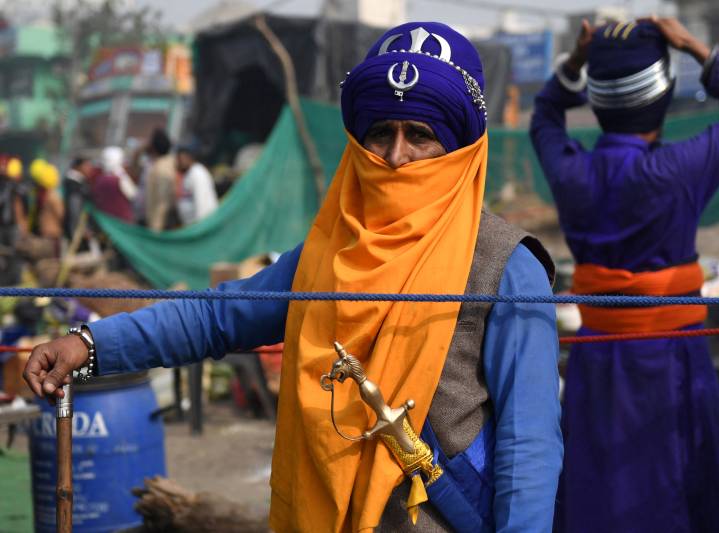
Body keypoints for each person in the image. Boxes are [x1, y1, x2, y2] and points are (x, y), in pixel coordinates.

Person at [23, 22, 562, 532]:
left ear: (461, 149)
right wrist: (90, 344)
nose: (396, 157)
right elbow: (217, 318)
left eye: (419, 134)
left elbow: (529, 446)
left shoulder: (508, 267)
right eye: (380, 133)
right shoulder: (329, 255)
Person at [529, 17, 719, 533]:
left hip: (596, 359)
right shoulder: (679, 169)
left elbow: (545, 115)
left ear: (597, 98)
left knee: (600, 481)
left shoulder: (572, 172)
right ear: (661, 97)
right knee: (684, 479)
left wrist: (576, 61)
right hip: (675, 357)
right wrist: (691, 45)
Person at [142, 129, 178, 231]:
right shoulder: (165, 163)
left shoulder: (162, 169)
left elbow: (163, 203)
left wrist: (155, 230)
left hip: (159, 227)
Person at [174, 144, 218, 225]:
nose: (178, 162)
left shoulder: (198, 172)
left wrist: (201, 227)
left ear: (189, 157)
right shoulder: (189, 173)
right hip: (191, 225)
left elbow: (203, 203)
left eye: (180, 159)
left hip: (201, 225)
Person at [91, 147, 137, 223]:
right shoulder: (121, 179)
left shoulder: (99, 180)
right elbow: (133, 196)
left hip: (103, 221)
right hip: (121, 223)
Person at [0, 155, 25, 285]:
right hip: (2, 225)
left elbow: (19, 206)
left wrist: (22, 226)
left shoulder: (17, 186)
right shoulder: (3, 185)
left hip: (13, 226)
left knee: (16, 254)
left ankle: (16, 283)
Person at [63, 156, 94, 240]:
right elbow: (74, 208)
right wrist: (83, 230)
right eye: (87, 165)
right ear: (78, 166)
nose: (90, 168)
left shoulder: (80, 182)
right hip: (76, 231)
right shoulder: (74, 185)